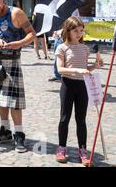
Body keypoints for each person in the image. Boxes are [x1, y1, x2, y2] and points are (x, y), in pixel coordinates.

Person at [0, 0, 36, 153]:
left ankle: (19, 133)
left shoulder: (17, 13)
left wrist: (18, 43)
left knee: (15, 100)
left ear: (2, 0)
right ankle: (5, 130)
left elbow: (32, 34)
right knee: (0, 98)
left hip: (12, 60)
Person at [55, 17, 103, 166]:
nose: (79, 34)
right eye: (76, 31)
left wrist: (95, 66)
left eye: (81, 31)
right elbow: (60, 70)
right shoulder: (62, 47)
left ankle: (83, 149)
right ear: (68, 31)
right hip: (68, 86)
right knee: (65, 118)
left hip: (82, 86)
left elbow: (86, 69)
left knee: (81, 120)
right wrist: (77, 70)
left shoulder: (84, 48)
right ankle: (62, 147)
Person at [48, 0, 80, 82]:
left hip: (68, 37)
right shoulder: (61, 8)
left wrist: (60, 31)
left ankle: (67, 75)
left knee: (69, 57)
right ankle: (57, 75)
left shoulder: (74, 9)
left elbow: (73, 24)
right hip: (59, 36)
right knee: (58, 55)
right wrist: (55, 31)